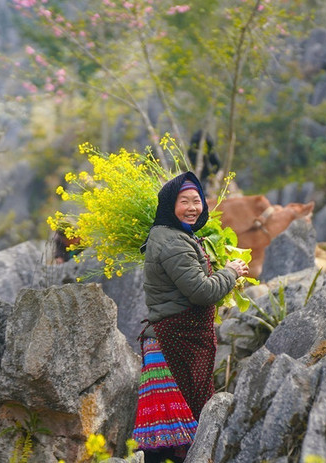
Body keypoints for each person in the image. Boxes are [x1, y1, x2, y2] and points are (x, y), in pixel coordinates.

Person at [131, 171, 248, 463]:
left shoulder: (178, 236)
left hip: (177, 344)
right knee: (170, 444)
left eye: (197, 200)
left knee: (179, 441)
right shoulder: (173, 243)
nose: (193, 207)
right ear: (170, 205)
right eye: (185, 201)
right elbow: (201, 292)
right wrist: (230, 272)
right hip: (172, 347)